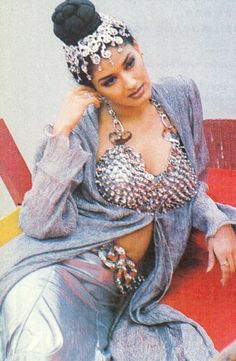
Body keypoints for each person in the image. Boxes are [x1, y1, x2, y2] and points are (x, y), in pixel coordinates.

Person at [0, 0, 236, 360]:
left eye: (129, 63)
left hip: (127, 294)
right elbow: (37, 222)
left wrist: (216, 223)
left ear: (138, 48)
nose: (130, 83)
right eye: (109, 80)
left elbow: (191, 183)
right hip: (59, 273)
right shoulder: (82, 128)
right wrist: (60, 132)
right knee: (41, 349)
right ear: (93, 89)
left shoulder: (180, 96)